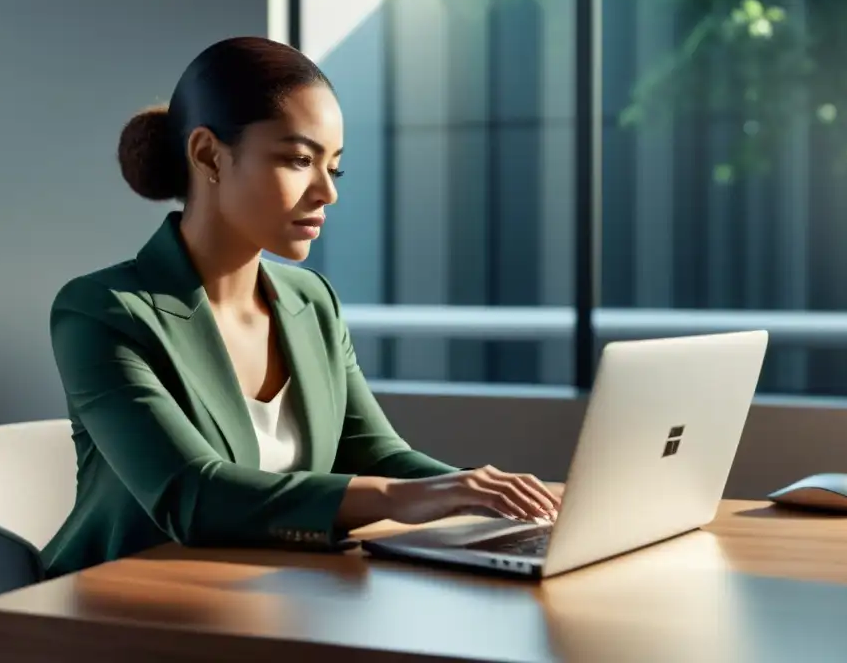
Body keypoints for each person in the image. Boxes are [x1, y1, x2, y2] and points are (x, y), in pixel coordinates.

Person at [41, 36, 561, 578]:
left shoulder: (311, 301)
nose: (326, 192)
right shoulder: (102, 311)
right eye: (297, 159)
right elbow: (193, 496)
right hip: (115, 604)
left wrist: (494, 496)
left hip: (268, 592)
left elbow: (377, 455)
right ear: (208, 155)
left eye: (333, 168)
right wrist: (398, 498)